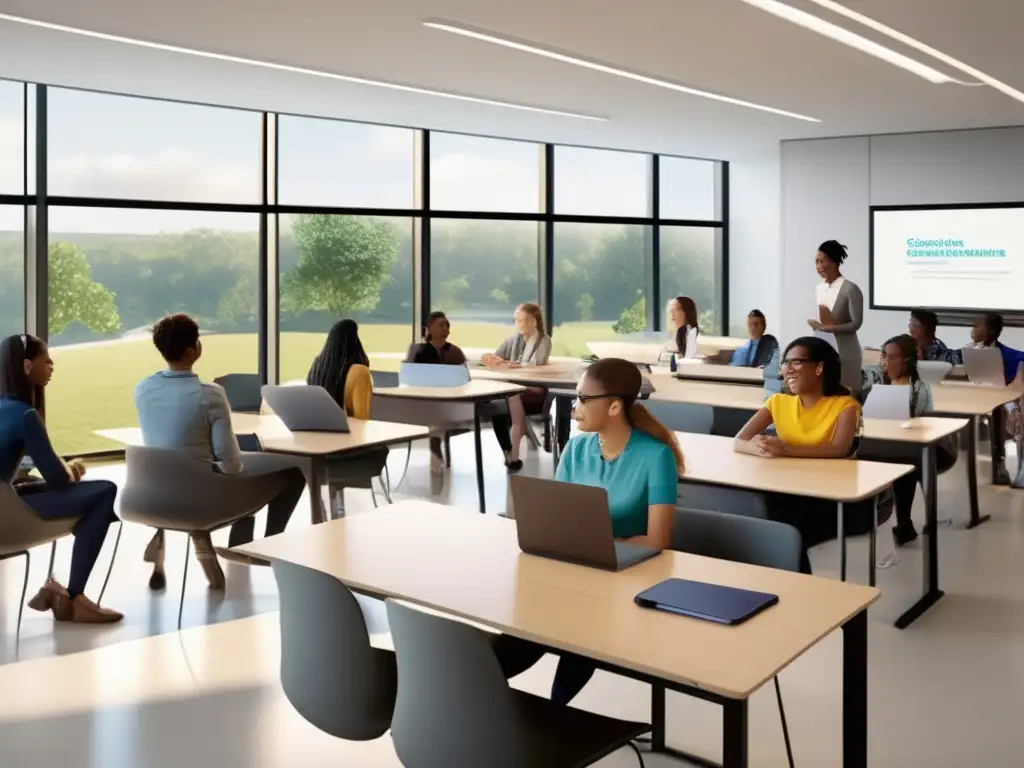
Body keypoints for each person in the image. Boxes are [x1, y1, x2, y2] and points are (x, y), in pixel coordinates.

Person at [493, 357, 684, 705]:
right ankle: (499, 697)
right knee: (527, 624)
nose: (574, 407)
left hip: (627, 581)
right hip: (576, 570)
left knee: (578, 623)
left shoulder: (656, 457)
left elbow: (659, 540)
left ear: (614, 406)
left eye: (583, 399)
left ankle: (554, 717)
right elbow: (560, 515)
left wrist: (601, 546)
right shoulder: (578, 448)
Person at [136, 314, 306, 590]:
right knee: (292, 471)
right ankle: (269, 546)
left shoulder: (142, 388)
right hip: (202, 495)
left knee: (252, 473)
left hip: (154, 490)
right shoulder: (210, 395)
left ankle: (243, 547)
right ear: (193, 351)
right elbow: (230, 465)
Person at [0, 334, 123, 623]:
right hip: (6, 520)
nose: (52, 366)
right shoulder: (26, 415)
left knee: (40, 489)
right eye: (47, 360)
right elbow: (58, 480)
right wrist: (73, 470)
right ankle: (73, 597)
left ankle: (60, 593)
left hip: (6, 502)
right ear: (27, 366)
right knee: (105, 491)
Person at [734, 336, 875, 573]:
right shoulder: (777, 402)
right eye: (786, 363)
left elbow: (838, 449)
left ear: (820, 367)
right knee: (761, 512)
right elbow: (740, 440)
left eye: (797, 362)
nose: (788, 369)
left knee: (785, 528)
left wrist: (784, 449)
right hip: (788, 489)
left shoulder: (845, 406)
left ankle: (797, 584)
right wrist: (759, 446)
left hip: (832, 496)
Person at [860, 334, 956, 545]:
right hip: (881, 442)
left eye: (892, 357)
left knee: (908, 460)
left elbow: (925, 425)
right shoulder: (871, 380)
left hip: (921, 445)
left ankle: (904, 521)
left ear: (907, 360)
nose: (884, 362)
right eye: (883, 356)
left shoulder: (920, 388)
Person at [307, 319, 389, 514]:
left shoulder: (317, 368)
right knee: (381, 449)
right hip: (349, 453)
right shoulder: (359, 371)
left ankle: (334, 504)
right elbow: (362, 421)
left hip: (318, 451)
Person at [481, 303, 552, 472]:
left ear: (533, 322)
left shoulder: (544, 340)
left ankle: (513, 455)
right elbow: (493, 356)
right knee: (502, 400)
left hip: (534, 390)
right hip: (513, 390)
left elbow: (537, 363)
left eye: (521, 320)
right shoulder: (513, 340)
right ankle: (510, 451)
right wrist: (494, 360)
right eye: (516, 320)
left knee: (512, 394)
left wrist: (509, 365)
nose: (518, 324)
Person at [405, 311, 469, 473]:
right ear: (429, 328)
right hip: (421, 400)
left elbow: (465, 378)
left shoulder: (455, 352)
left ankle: (435, 450)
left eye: (447, 325)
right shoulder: (417, 350)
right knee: (432, 411)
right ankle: (435, 449)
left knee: (437, 412)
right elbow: (408, 377)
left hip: (448, 401)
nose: (445, 329)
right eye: (441, 325)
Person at [807, 240, 863, 393]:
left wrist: (831, 328)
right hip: (826, 347)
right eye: (816, 262)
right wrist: (818, 326)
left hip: (846, 350)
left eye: (821, 261)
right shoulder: (819, 288)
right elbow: (825, 319)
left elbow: (856, 323)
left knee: (847, 393)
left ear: (834, 262)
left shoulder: (850, 288)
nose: (818, 266)